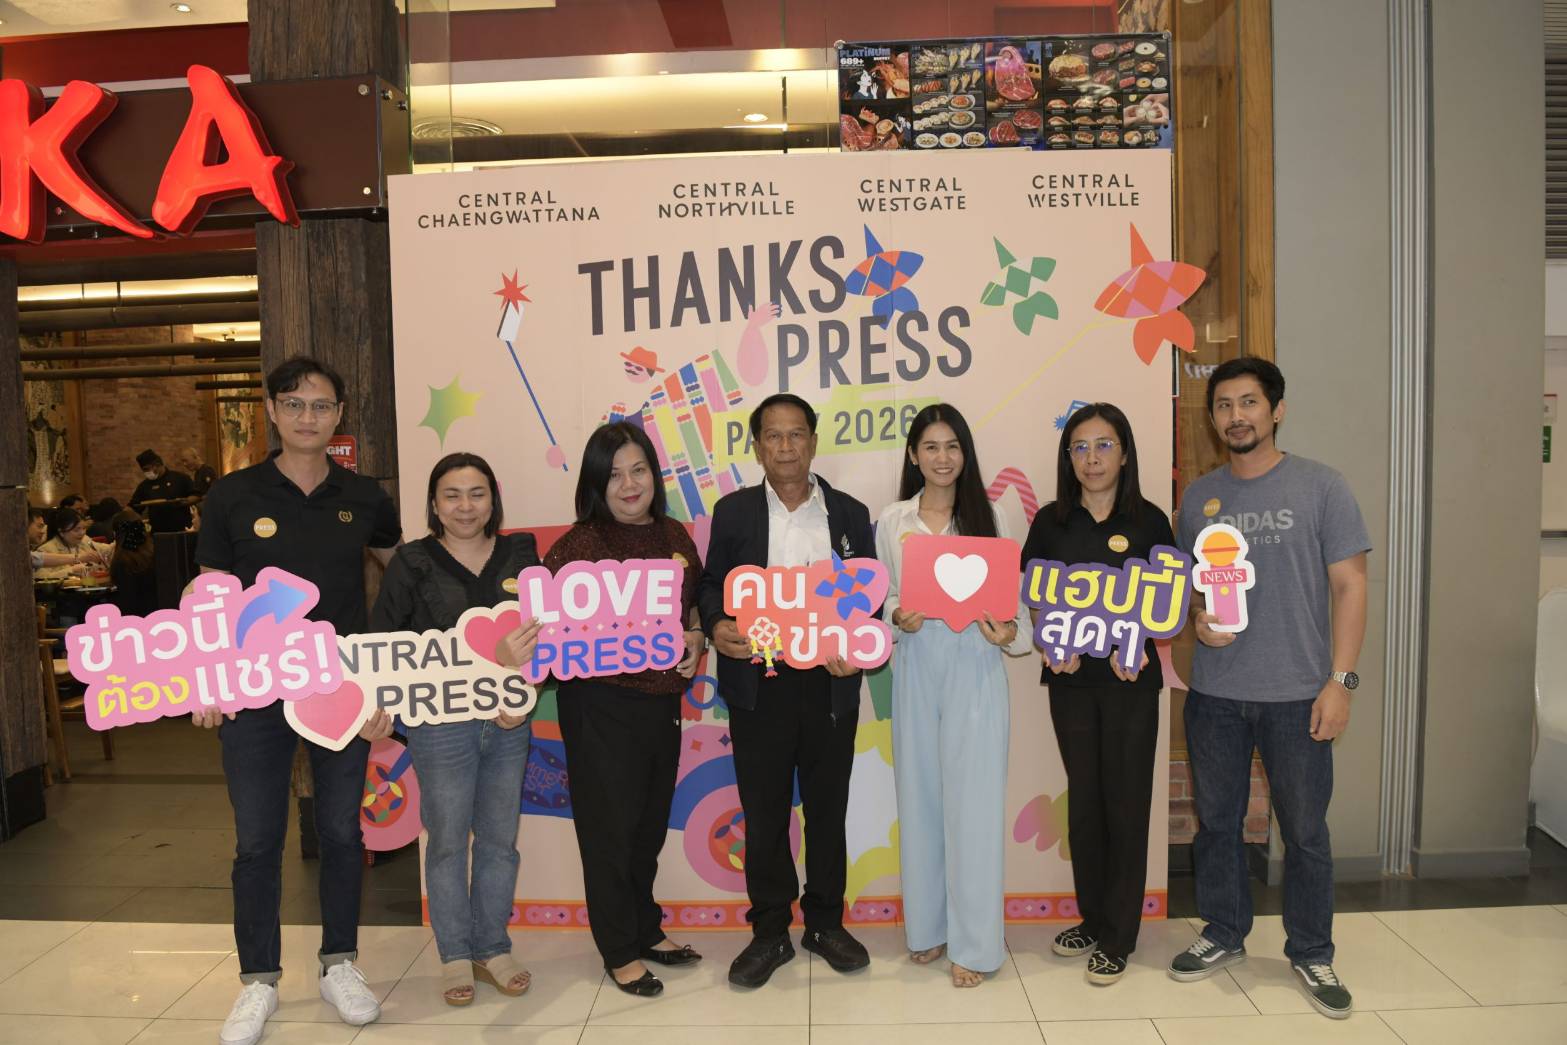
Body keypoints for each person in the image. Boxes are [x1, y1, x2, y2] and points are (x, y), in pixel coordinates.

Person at [193, 356, 402, 1045]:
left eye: (320, 405)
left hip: (339, 688)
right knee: (257, 839)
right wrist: (206, 677)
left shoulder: (364, 495)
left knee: (341, 831)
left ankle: (340, 962)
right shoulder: (232, 495)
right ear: (271, 410)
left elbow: (401, 575)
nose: (307, 416)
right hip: (252, 694)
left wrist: (391, 677)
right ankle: (258, 979)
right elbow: (209, 595)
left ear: (339, 414)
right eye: (294, 403)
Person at [1168, 358, 1368, 1020]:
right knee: (1217, 824)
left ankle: (1310, 948)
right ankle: (1224, 932)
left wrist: (1340, 682)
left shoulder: (1321, 486)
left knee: (1304, 830)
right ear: (1213, 418)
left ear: (1276, 410)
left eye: (1249, 402)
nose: (1236, 416)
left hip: (1299, 694)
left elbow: (1351, 585)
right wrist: (1198, 619)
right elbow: (1189, 592)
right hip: (1216, 695)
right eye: (1224, 405)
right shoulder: (1198, 499)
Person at [697, 392, 875, 988]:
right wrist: (717, 624)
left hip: (829, 684)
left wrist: (857, 646)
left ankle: (825, 923)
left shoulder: (850, 514)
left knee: (827, 810)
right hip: (760, 683)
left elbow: (869, 598)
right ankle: (770, 931)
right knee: (765, 811)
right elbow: (711, 584)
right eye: (773, 436)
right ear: (757, 447)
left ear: (814, 442)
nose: (786, 447)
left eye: (796, 434)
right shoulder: (733, 512)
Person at [370, 452, 542, 1007]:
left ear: (493, 499)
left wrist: (525, 694)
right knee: (446, 843)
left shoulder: (523, 554)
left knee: (499, 841)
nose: (465, 506)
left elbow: (549, 639)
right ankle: (453, 955)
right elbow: (383, 643)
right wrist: (376, 710)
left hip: (509, 723)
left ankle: (492, 947)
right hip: (439, 728)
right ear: (434, 504)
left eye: (476, 493)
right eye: (452, 495)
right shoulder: (412, 561)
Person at [546, 422, 708, 997]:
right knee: (608, 832)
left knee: (646, 828)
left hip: (661, 705)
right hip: (598, 707)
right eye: (613, 475)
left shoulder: (675, 535)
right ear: (595, 484)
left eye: (638, 470)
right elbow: (543, 632)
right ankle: (618, 950)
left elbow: (693, 610)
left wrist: (697, 638)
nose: (629, 484)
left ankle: (644, 928)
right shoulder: (576, 547)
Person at [875, 404, 1030, 988]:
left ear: (966, 453)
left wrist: (1008, 633)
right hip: (917, 669)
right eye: (931, 447)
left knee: (975, 810)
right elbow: (885, 598)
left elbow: (1015, 609)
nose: (942, 458)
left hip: (976, 670)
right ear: (913, 455)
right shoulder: (893, 520)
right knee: (920, 800)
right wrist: (898, 617)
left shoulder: (992, 516)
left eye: (953, 446)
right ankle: (929, 929)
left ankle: (976, 945)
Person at [1020, 403, 1174, 985]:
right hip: (1071, 683)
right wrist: (1049, 639)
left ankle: (1119, 934)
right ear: (1069, 457)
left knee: (1126, 804)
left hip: (1130, 684)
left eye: (1104, 445)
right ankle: (1092, 916)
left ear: (1125, 453)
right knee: (1084, 803)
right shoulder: (1051, 521)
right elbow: (1035, 595)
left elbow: (1165, 600)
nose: (1092, 458)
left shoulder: (1150, 522)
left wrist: (1138, 640)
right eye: (1080, 447)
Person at [33, 507, 111, 581]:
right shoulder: (46, 549)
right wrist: (72, 570)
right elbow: (41, 578)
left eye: (84, 528)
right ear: (61, 532)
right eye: (76, 530)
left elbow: (107, 549)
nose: (82, 533)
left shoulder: (84, 540)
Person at [129, 449, 196, 533]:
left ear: (157, 465)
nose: (146, 472)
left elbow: (196, 496)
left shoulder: (180, 478)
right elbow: (133, 507)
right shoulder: (144, 486)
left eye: (147, 469)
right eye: (144, 470)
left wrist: (183, 502)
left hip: (182, 531)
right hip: (158, 533)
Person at [108, 510, 158, 617]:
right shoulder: (155, 552)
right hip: (158, 613)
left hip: (134, 619)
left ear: (117, 534)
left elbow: (127, 602)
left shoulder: (123, 561)